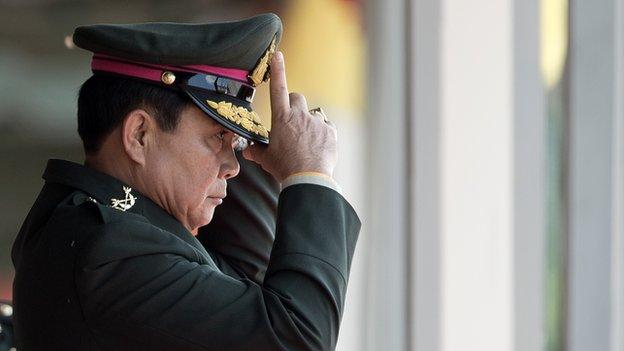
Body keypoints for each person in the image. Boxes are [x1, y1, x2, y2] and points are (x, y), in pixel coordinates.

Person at [10, 13, 360, 350]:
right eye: (217, 138)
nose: (233, 167)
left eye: (235, 143)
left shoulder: (118, 230)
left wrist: (268, 154)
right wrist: (309, 176)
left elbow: (248, 282)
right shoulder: (110, 252)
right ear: (139, 135)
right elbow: (295, 338)